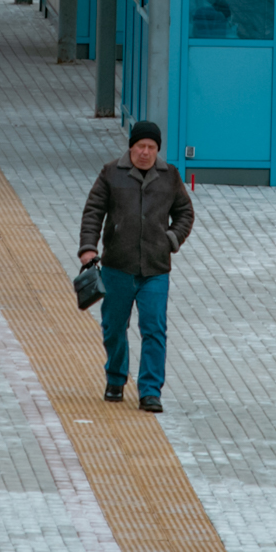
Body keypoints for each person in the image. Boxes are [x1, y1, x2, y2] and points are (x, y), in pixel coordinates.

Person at [78, 121, 193, 414]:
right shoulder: (111, 173)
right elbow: (93, 211)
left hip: (155, 269)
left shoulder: (170, 177)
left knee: (154, 329)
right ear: (131, 146)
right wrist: (88, 248)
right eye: (140, 146)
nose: (145, 152)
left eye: (151, 147)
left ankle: (150, 392)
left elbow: (185, 213)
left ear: (158, 149)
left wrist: (171, 239)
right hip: (118, 266)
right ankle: (116, 378)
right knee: (114, 327)